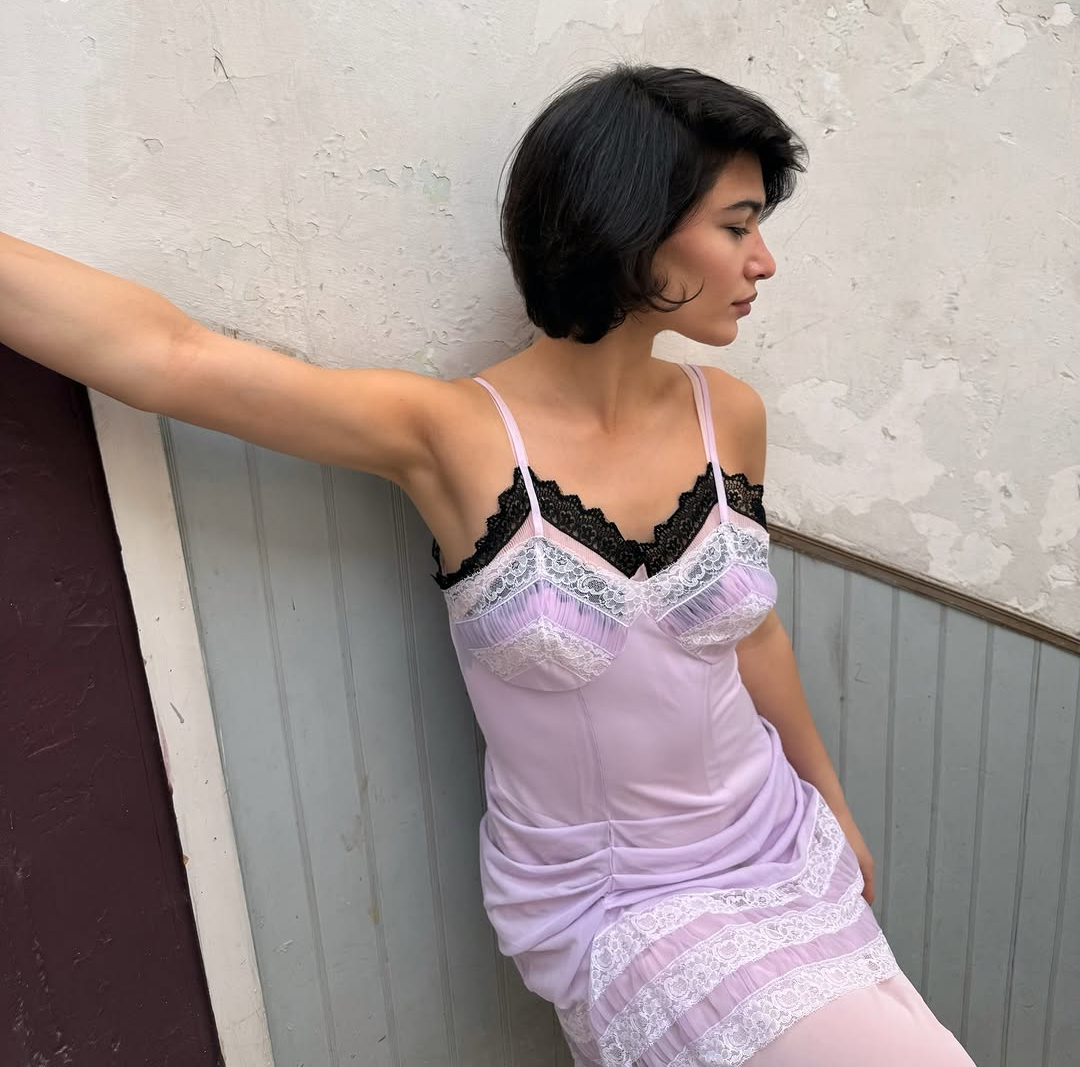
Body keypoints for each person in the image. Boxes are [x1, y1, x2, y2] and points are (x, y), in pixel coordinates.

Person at [2, 63, 975, 1065]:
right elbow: (170, 357)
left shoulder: (728, 413)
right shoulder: (453, 435)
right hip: (612, 904)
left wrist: (830, 804)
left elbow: (755, 635)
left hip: (779, 845)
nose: (763, 261)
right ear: (635, 223)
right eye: (737, 226)